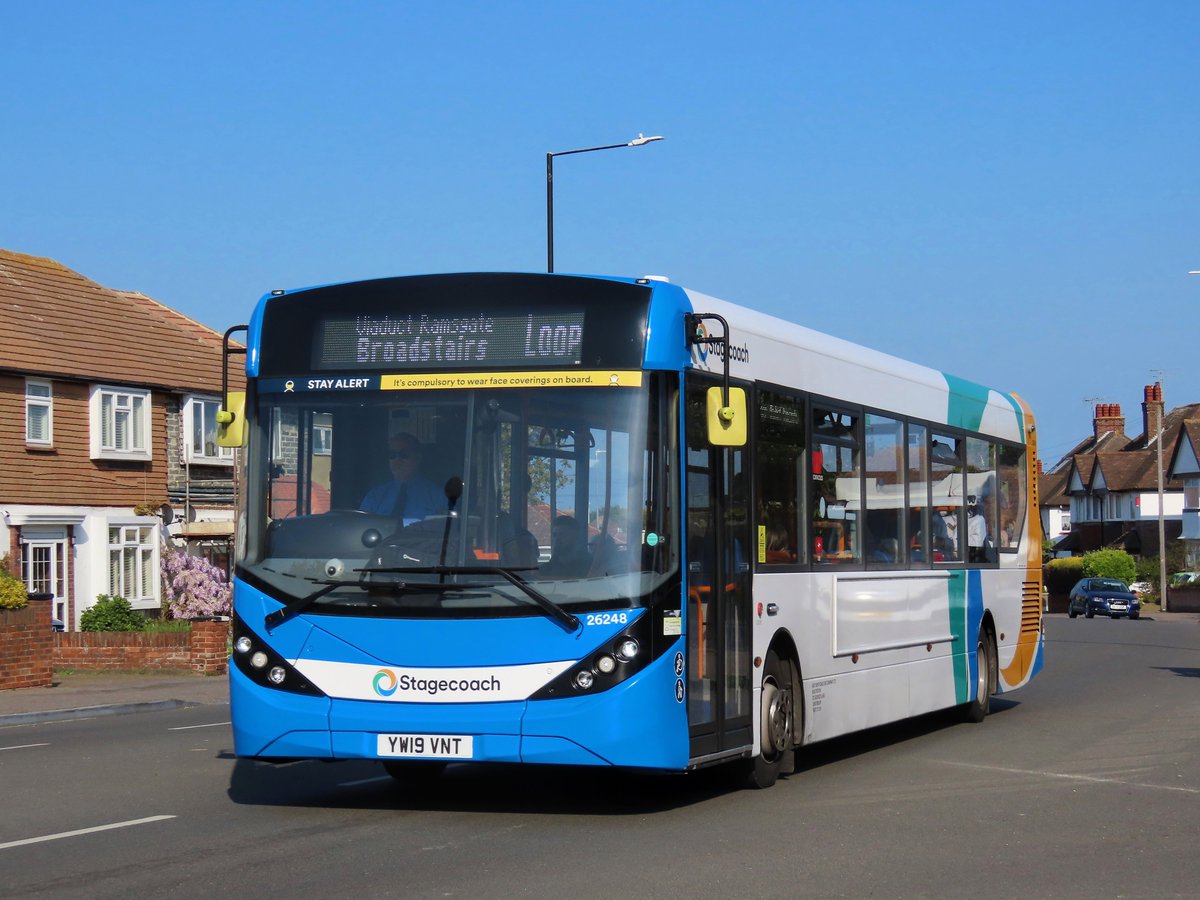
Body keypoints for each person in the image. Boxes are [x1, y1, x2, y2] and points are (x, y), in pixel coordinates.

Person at [359, 432, 443, 522]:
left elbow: (448, 530)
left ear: (418, 458)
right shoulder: (375, 496)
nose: (397, 460)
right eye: (392, 455)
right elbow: (360, 528)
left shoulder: (437, 497)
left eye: (403, 454)